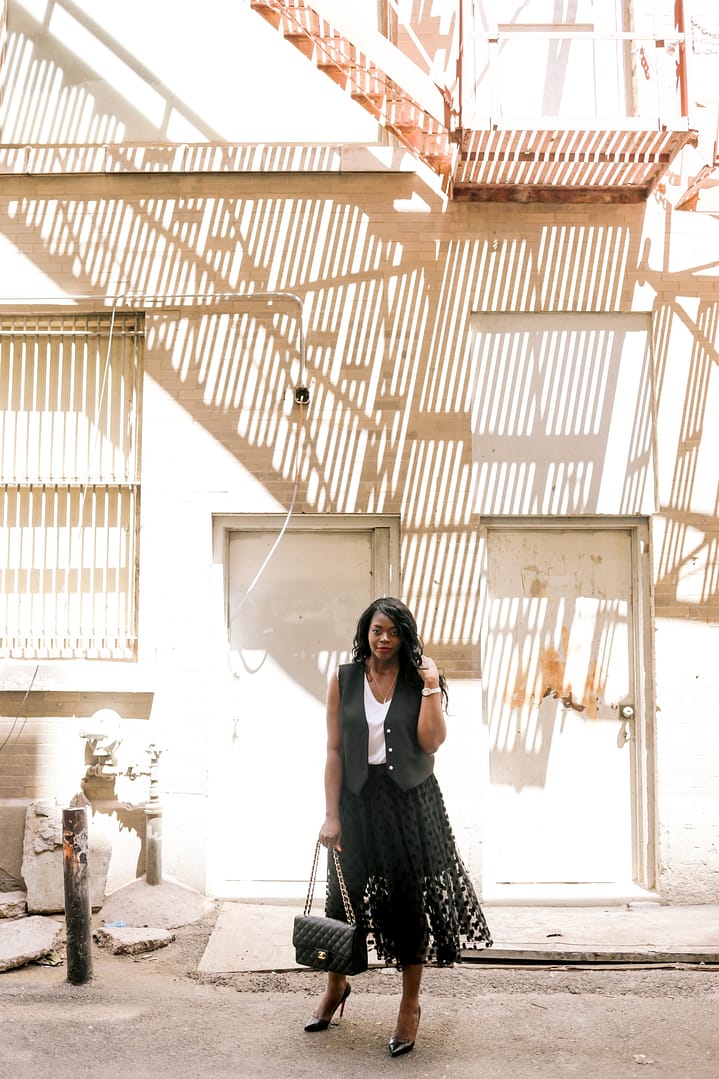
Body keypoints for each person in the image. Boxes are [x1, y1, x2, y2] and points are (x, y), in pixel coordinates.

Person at [304, 596, 492, 1057]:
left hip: (408, 803)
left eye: (393, 631)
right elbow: (333, 750)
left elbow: (431, 742)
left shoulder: (418, 678)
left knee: (408, 902)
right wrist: (331, 814)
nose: (384, 639)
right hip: (356, 804)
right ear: (365, 634)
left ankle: (410, 1005)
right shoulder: (345, 679)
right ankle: (336, 985)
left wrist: (430, 688)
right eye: (377, 630)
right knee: (343, 897)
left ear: (405, 636)